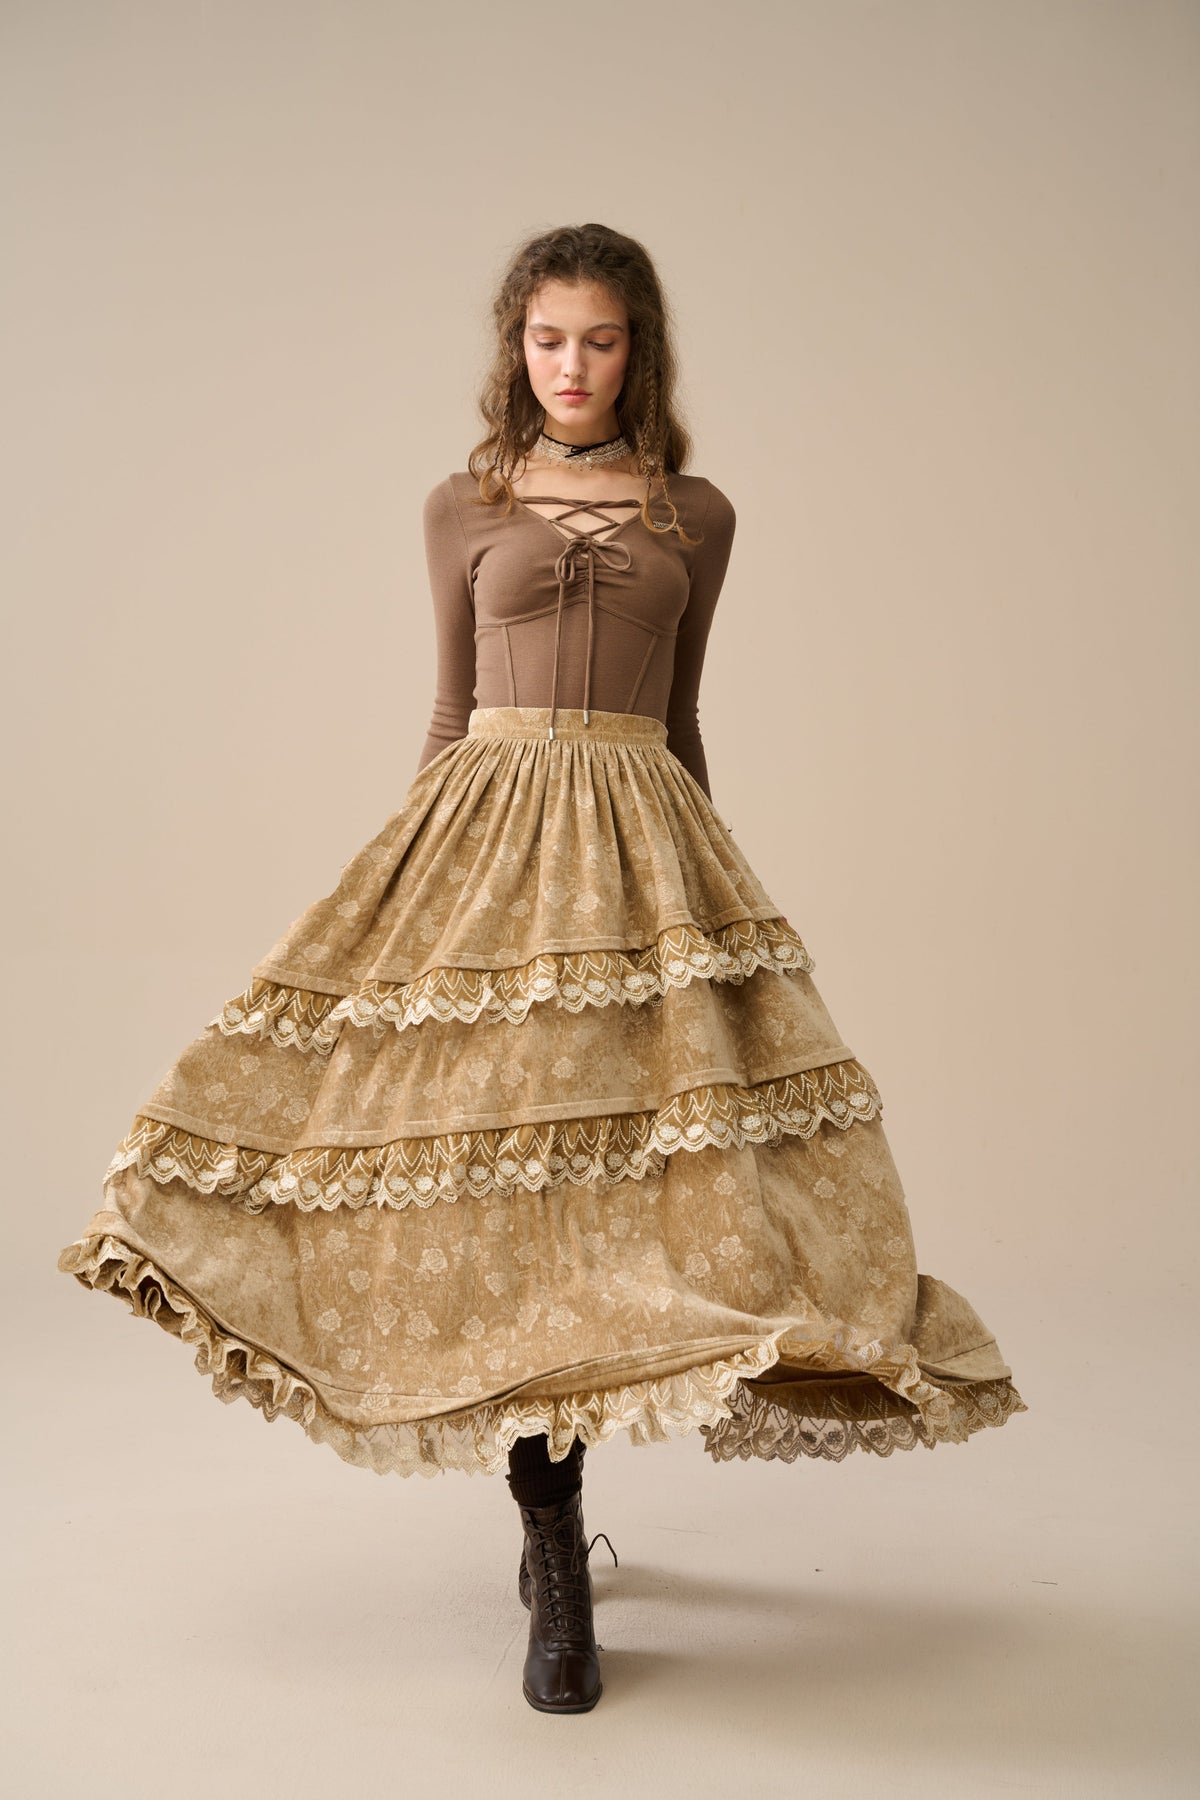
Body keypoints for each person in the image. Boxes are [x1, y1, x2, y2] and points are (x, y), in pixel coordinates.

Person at [57, 221, 1028, 1717]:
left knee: (610, 1209)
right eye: (548, 339)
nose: (572, 366)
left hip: (643, 855)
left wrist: (708, 916)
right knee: (510, 1214)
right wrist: (406, 903)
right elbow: (450, 712)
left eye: (601, 340)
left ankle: (559, 1532)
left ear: (643, 354)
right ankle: (553, 1540)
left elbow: (681, 721)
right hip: (485, 847)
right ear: (516, 348)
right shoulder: (463, 503)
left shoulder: (698, 513)